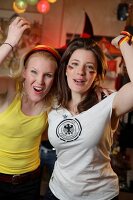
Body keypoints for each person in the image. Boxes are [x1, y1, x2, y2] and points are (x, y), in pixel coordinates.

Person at [43, 31, 133, 200]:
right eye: (74, 64)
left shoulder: (108, 102)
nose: (80, 72)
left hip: (100, 195)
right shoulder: (53, 101)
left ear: (97, 75)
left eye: (89, 67)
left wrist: (123, 43)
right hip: (58, 193)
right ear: (65, 70)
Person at [0, 16, 60, 200]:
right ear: (24, 72)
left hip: (31, 181)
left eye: (48, 75)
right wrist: (10, 42)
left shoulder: (53, 101)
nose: (40, 81)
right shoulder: (10, 88)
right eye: (34, 71)